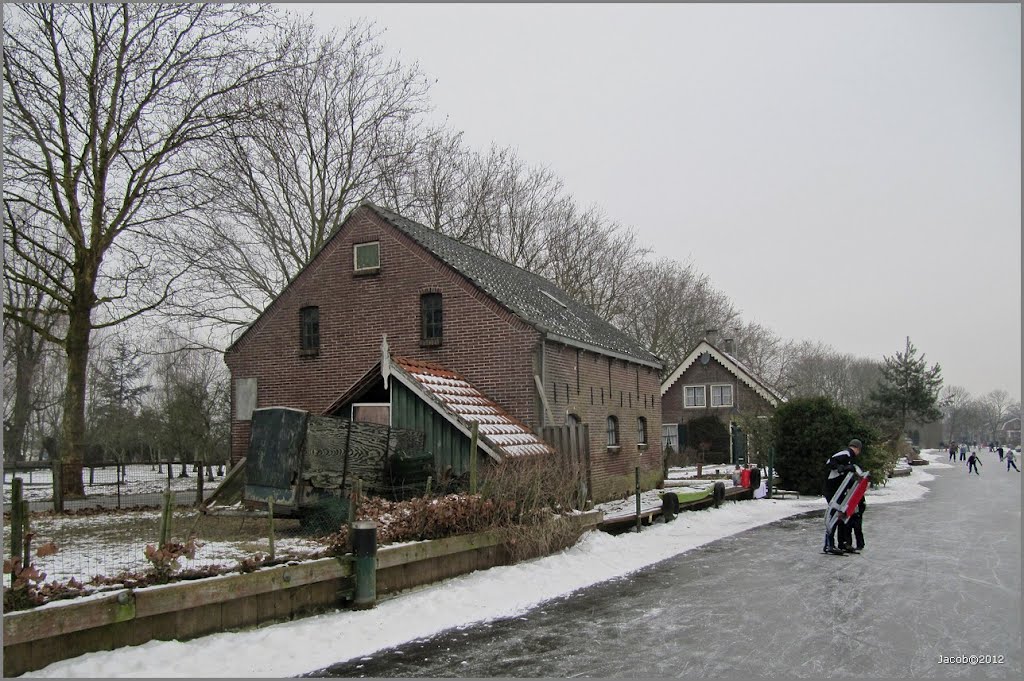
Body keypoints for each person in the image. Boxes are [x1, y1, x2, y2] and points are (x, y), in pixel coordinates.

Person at [822, 438, 863, 555]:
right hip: (831, 489)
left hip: (838, 490)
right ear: (857, 448)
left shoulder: (850, 458)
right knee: (834, 514)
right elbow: (830, 462)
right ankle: (829, 544)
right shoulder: (846, 453)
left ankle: (842, 543)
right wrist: (840, 468)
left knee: (841, 515)